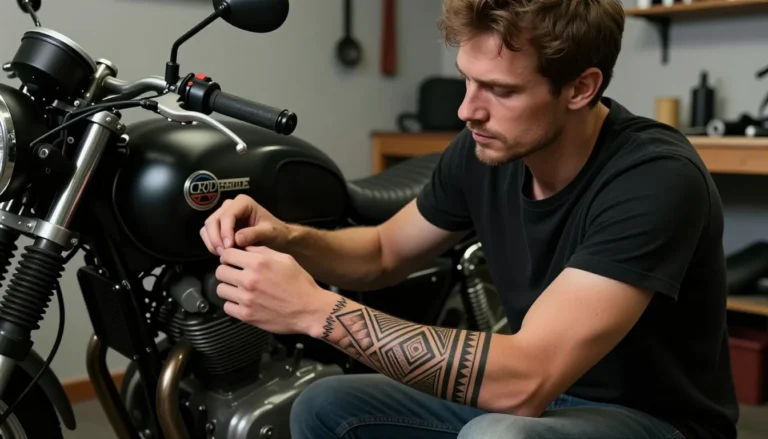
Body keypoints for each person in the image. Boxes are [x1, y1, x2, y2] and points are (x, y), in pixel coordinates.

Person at [200, 0, 739, 437]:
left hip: (656, 422)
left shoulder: (655, 178)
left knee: (499, 437)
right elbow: (385, 253)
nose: (467, 110)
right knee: (324, 405)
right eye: (467, 80)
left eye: (500, 91)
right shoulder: (485, 149)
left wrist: (317, 311)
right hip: (543, 402)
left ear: (580, 87)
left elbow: (527, 379)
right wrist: (287, 238)